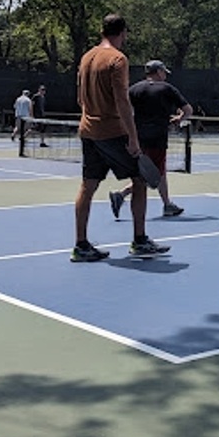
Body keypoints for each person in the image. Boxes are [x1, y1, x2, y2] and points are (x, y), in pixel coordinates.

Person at [72, 14, 169, 262]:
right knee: (139, 180)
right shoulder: (117, 59)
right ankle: (140, 240)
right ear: (122, 32)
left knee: (88, 185)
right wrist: (133, 138)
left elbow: (80, 99)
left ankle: (81, 245)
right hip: (113, 132)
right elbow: (122, 101)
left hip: (87, 130)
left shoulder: (86, 58)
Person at [109, 59, 192, 220]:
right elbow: (188, 110)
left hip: (137, 139)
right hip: (157, 139)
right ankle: (121, 194)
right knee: (153, 175)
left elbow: (122, 109)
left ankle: (167, 204)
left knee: (157, 173)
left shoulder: (134, 89)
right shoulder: (168, 89)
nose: (165, 76)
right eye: (164, 72)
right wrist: (179, 119)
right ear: (159, 72)